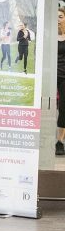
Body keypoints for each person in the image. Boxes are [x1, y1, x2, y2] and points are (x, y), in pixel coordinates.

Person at [56, 8, 65, 155]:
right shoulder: (49, 35)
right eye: (56, 17)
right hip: (50, 75)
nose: (58, 19)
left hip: (64, 77)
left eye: (61, 16)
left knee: (63, 108)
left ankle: (59, 141)